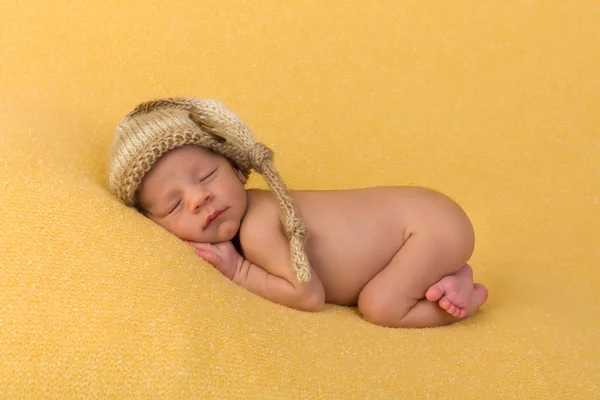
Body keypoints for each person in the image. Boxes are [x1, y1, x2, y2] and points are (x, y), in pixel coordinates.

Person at [108, 97, 488, 328]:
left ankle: (467, 299)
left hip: (425, 227)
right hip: (418, 226)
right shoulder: (246, 223)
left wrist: (238, 271)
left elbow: (308, 295)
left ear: (239, 170)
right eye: (175, 205)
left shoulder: (257, 227)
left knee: (381, 306)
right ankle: (446, 275)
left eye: (207, 175)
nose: (198, 200)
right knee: (384, 293)